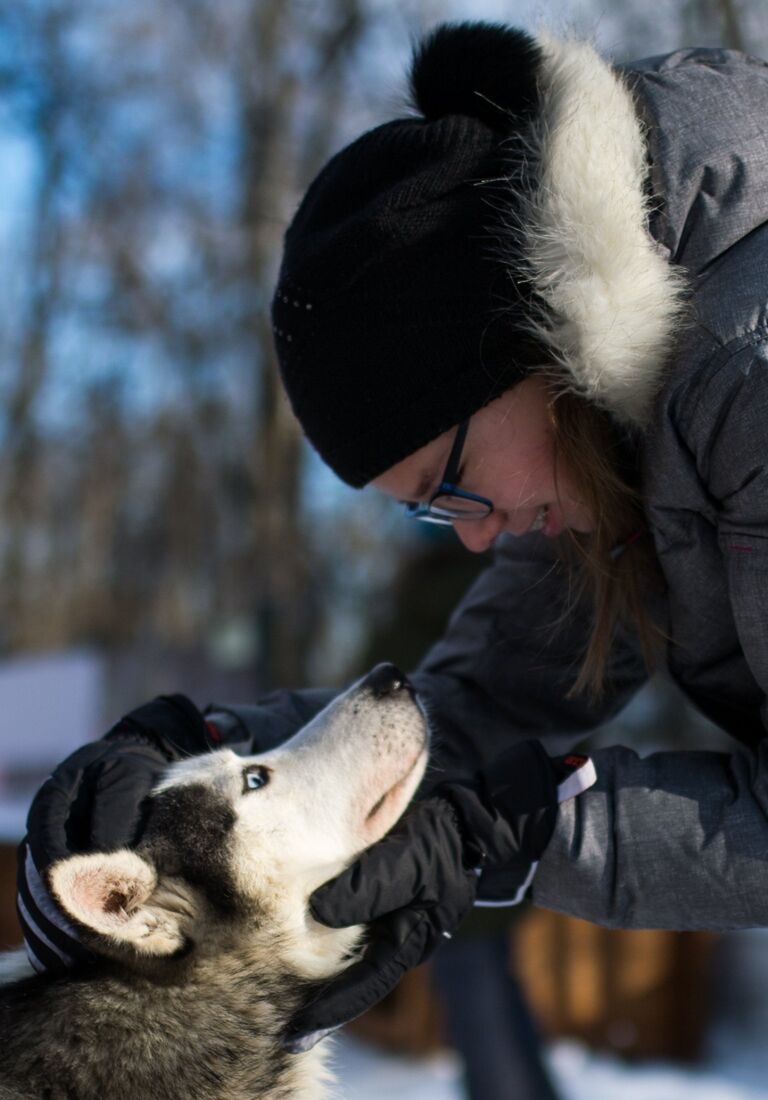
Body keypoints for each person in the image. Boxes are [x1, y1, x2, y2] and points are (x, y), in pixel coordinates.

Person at [16, 20, 768, 1055]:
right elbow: (480, 707)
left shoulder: (747, 365)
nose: (471, 539)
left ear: (522, 345)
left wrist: (517, 830)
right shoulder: (599, 439)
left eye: (447, 483)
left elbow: (490, 790)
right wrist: (190, 749)